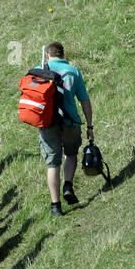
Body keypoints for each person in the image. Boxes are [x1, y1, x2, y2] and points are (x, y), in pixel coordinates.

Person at [39, 41, 93, 216]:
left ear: (48, 55)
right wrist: (90, 126)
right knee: (70, 154)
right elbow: (84, 101)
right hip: (70, 122)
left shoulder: (38, 70)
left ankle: (55, 206)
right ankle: (68, 185)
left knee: (52, 164)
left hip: (47, 124)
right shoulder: (73, 72)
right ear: (63, 54)